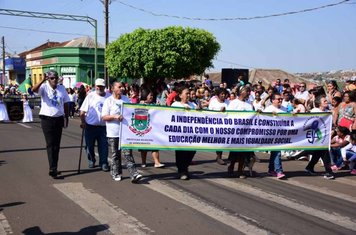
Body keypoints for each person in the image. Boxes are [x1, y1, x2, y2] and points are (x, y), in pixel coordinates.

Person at [101, 81, 143, 183]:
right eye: (119, 87)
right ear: (113, 88)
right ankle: (116, 172)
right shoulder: (108, 101)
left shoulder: (126, 99)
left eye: (122, 87)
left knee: (128, 153)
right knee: (115, 154)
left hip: (125, 132)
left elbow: (131, 112)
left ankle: (134, 174)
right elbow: (104, 117)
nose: (122, 88)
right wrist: (115, 116)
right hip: (113, 133)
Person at [31, 70, 70, 178]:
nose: (54, 80)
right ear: (48, 79)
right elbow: (33, 90)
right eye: (52, 78)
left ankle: (54, 167)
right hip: (47, 119)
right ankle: (52, 168)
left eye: (56, 78)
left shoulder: (61, 88)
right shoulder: (44, 87)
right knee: (50, 144)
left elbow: (66, 103)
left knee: (57, 145)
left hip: (59, 119)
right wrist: (42, 79)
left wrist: (66, 117)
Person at [80, 78, 111, 171]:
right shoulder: (90, 96)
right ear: (95, 86)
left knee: (104, 146)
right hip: (90, 126)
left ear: (104, 87)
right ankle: (91, 160)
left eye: (101, 86)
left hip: (104, 127)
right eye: (98, 86)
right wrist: (83, 122)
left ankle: (104, 162)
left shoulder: (109, 97)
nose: (99, 88)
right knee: (89, 146)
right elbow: (82, 111)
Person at [171, 86, 200, 180]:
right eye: (186, 93)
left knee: (192, 151)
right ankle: (182, 170)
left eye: (189, 93)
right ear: (180, 95)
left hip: (192, 134)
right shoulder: (175, 105)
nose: (188, 95)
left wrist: (199, 110)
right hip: (180, 134)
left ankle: (184, 168)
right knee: (181, 153)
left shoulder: (193, 105)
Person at [304, 95, 335, 179]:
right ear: (319, 103)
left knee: (319, 152)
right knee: (324, 152)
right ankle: (329, 171)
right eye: (324, 101)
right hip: (315, 136)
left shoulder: (327, 112)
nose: (326, 102)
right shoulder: (314, 111)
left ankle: (309, 167)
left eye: (326, 101)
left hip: (323, 136)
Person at [227, 85, 254, 178]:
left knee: (243, 153)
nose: (248, 93)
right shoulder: (233, 103)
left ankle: (240, 171)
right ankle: (231, 168)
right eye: (247, 91)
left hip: (246, 133)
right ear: (241, 92)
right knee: (235, 152)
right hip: (235, 132)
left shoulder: (249, 104)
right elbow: (229, 116)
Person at [139, 88, 165, 168]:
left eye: (152, 95)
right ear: (145, 95)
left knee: (155, 145)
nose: (151, 97)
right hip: (144, 128)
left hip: (153, 129)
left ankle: (156, 162)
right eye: (150, 95)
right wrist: (141, 105)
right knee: (143, 147)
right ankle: (143, 162)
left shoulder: (154, 104)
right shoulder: (140, 104)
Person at [263, 92, 287, 179]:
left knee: (274, 152)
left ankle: (271, 169)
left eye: (281, 99)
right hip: (272, 134)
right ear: (273, 100)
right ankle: (279, 171)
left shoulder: (284, 108)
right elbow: (263, 120)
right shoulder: (269, 109)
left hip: (282, 133)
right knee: (277, 151)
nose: (280, 100)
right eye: (278, 99)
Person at [208, 88, 230, 165]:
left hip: (226, 125)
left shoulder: (228, 102)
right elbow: (209, 113)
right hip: (216, 125)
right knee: (219, 141)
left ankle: (229, 157)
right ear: (218, 95)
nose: (223, 95)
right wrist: (219, 112)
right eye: (222, 94)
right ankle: (219, 156)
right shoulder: (213, 102)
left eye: (224, 94)